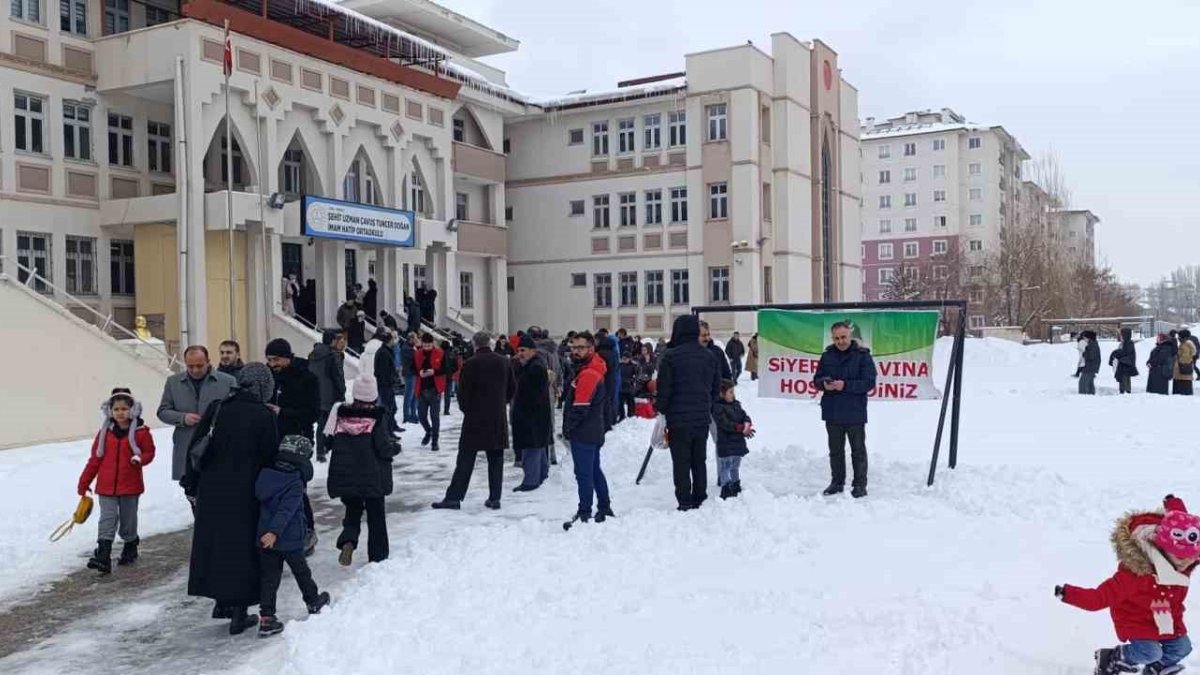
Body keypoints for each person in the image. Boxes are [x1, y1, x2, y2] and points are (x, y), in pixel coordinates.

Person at [181, 363, 279, 635]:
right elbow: (271, 456)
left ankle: (222, 602)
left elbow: (196, 447)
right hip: (247, 492)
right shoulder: (263, 415)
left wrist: (191, 483)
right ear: (265, 386)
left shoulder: (217, 408)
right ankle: (238, 612)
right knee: (243, 550)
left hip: (213, 490)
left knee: (218, 545)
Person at [1056, 494, 1200, 675]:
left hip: (1165, 619)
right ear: (1163, 546)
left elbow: (1182, 522)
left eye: (1192, 557)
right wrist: (1068, 593)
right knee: (1150, 652)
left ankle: (1156, 669)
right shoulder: (1135, 574)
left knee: (1182, 647)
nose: (1186, 563)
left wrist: (1173, 505)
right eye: (1181, 557)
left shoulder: (1179, 567)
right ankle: (1111, 658)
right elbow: (1099, 597)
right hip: (1135, 619)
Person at [255, 435, 330, 638]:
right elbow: (286, 510)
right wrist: (275, 532)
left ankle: (267, 618)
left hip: (264, 538)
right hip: (288, 537)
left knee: (269, 578)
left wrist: (267, 533)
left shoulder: (264, 475)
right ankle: (313, 601)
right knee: (301, 572)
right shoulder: (294, 481)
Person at [432, 331, 515, 511]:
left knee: (465, 460)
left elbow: (463, 395)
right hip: (496, 418)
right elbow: (511, 389)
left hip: (474, 419)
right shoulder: (504, 362)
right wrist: (500, 404)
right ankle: (495, 498)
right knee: (496, 459)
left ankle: (454, 497)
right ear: (490, 344)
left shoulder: (470, 364)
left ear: (475, 345)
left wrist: (469, 410)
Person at [78, 388, 156, 573]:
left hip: (130, 486)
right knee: (107, 519)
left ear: (133, 410)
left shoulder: (141, 432)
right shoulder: (105, 433)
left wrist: (140, 459)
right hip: (106, 487)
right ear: (110, 411)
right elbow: (95, 459)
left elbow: (149, 452)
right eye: (116, 409)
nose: (120, 413)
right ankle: (103, 555)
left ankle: (130, 545)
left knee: (128, 520)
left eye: (124, 409)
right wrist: (84, 482)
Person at [325, 372, 398, 566]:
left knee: (353, 510)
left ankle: (348, 540)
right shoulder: (376, 418)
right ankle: (378, 556)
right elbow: (383, 448)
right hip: (372, 477)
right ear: (374, 397)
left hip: (347, 476)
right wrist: (395, 448)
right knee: (376, 517)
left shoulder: (341, 416)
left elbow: (329, 442)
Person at [655, 315, 720, 511]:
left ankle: (684, 500)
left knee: (681, 461)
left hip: (678, 419)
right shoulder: (709, 356)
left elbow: (664, 389)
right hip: (701, 417)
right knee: (699, 459)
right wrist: (706, 405)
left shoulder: (670, 356)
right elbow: (715, 388)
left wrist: (662, 409)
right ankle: (700, 496)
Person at [265, 338, 320, 554]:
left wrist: (283, 412)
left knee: (296, 490)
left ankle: (307, 531)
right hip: (273, 439)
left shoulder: (307, 378)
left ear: (287, 357)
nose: (272, 364)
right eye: (269, 359)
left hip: (298, 441)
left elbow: (313, 412)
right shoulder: (270, 378)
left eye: (276, 359)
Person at [813, 321, 878, 499]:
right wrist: (825, 383)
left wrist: (845, 385)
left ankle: (860, 485)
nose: (840, 341)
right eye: (836, 338)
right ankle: (837, 482)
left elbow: (869, 382)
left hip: (854, 411)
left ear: (850, 336)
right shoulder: (827, 356)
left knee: (858, 451)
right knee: (835, 451)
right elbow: (816, 380)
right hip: (832, 411)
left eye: (843, 337)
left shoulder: (863, 356)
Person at [157, 345, 236, 481]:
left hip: (217, 448)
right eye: (190, 366)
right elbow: (163, 411)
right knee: (191, 495)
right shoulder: (173, 382)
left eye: (200, 366)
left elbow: (236, 412)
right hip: (186, 447)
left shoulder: (228, 381)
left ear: (208, 362)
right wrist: (182, 418)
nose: (195, 370)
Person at [562, 331, 613, 523]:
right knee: (593, 470)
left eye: (581, 347)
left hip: (584, 431)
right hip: (592, 429)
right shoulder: (590, 369)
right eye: (573, 347)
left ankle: (585, 512)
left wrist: (568, 429)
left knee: (584, 473)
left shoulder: (589, 374)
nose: (575, 351)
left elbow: (580, 407)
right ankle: (604, 506)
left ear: (591, 349)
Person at [512, 334, 552, 492]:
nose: (520, 353)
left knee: (531, 448)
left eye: (523, 350)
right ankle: (541, 475)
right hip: (536, 416)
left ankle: (531, 481)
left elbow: (527, 393)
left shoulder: (534, 368)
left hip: (532, 416)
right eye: (519, 350)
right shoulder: (534, 365)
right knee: (538, 446)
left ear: (532, 351)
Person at [308, 330, 347, 463]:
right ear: (332, 341)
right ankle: (330, 447)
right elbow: (337, 377)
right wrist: (342, 392)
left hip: (316, 394)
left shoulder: (313, 355)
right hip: (330, 396)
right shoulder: (332, 356)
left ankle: (320, 450)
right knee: (334, 423)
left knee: (321, 424)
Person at [711, 379, 752, 500]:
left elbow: (744, 415)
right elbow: (725, 423)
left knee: (735, 465)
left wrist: (747, 423)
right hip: (726, 443)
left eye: (733, 392)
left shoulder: (736, 404)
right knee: (725, 466)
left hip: (737, 442)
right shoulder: (718, 408)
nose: (733, 395)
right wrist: (738, 427)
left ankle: (735, 483)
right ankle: (726, 487)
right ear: (721, 394)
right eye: (730, 392)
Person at [413, 333, 447, 451]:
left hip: (435, 389)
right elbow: (412, 368)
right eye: (425, 345)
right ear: (422, 343)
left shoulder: (440, 353)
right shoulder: (417, 354)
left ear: (432, 344)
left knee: (434, 417)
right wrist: (419, 373)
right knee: (421, 415)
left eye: (429, 345)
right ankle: (429, 431)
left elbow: (446, 369)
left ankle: (435, 441)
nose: (427, 347)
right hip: (421, 389)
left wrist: (434, 372)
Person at [595, 329, 619, 430]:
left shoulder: (601, 353)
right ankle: (610, 421)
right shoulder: (613, 351)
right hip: (612, 379)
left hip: (604, 380)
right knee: (610, 400)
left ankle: (606, 424)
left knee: (603, 402)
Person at [1109, 328, 1139, 395]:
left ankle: (1125, 391)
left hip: (1127, 364)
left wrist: (1115, 353)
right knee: (1123, 376)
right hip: (1124, 363)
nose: (1120, 336)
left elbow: (1124, 352)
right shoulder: (1124, 343)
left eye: (1121, 335)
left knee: (1125, 377)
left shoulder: (1129, 343)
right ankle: (1124, 390)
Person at [400, 333, 419, 424]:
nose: (417, 340)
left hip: (413, 373)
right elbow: (416, 357)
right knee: (409, 395)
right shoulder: (407, 349)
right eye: (415, 338)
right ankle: (407, 415)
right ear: (411, 339)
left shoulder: (410, 348)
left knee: (414, 395)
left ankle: (413, 414)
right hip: (410, 374)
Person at [617, 351, 638, 422]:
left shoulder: (633, 366)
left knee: (630, 402)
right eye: (623, 358)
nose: (624, 360)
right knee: (620, 403)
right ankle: (621, 415)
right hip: (621, 387)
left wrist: (632, 380)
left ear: (629, 359)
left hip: (629, 387)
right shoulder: (619, 365)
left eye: (626, 358)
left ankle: (631, 414)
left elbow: (636, 376)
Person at [1174, 329, 1196, 396]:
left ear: (1184, 337)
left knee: (1182, 392)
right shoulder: (1184, 343)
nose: (1178, 338)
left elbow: (1186, 358)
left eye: (1179, 336)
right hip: (1184, 372)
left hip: (1183, 371)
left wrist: (1178, 360)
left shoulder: (1185, 344)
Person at [1079, 330, 1100, 395]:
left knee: (1083, 382)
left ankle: (1083, 396)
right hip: (1092, 366)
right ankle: (1091, 396)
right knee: (1090, 382)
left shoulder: (1092, 345)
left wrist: (1084, 353)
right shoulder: (1093, 344)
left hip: (1090, 367)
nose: (1084, 339)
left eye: (1085, 338)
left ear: (1089, 338)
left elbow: (1091, 356)